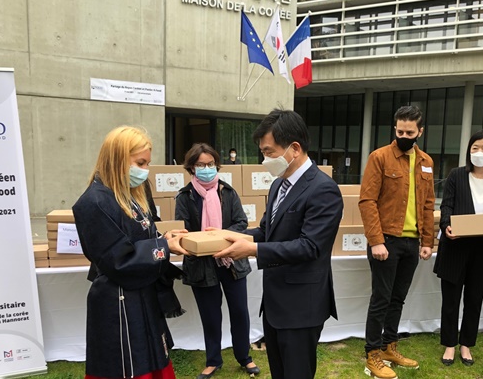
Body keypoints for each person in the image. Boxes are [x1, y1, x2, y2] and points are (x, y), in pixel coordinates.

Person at [213, 109, 343, 379]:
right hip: (274, 304)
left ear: (294, 148)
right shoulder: (278, 185)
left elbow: (309, 247)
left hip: (301, 308)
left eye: (270, 152)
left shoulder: (323, 189)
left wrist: (252, 250)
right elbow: (266, 230)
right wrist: (228, 235)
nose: (265, 160)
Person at [72, 125, 189, 379]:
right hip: (118, 303)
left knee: (152, 359)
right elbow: (118, 259)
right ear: (117, 158)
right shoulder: (94, 202)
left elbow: (144, 237)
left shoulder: (132, 195)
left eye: (147, 163)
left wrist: (164, 238)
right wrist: (163, 247)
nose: (145, 170)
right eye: (140, 162)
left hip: (142, 294)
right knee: (128, 366)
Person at [359, 105, 435, 379]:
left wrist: (428, 240)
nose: (404, 135)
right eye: (400, 131)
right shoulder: (379, 157)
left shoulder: (426, 161)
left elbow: (427, 204)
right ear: (395, 129)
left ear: (420, 132)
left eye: (409, 132)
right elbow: (367, 201)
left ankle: (390, 346)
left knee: (398, 299)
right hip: (386, 242)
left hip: (412, 243)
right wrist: (376, 241)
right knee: (381, 298)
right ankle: (372, 355)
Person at [174, 143, 259, 379]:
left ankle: (245, 357)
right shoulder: (185, 197)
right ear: (192, 167)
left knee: (240, 312)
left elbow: (241, 223)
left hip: (231, 261)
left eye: (210, 164)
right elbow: (182, 231)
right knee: (210, 315)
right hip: (202, 264)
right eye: (201, 165)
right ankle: (213, 360)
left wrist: (219, 235)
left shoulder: (228, 192)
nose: (206, 169)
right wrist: (203, 240)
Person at [433, 129, 483, 367]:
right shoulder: (456, 175)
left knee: (474, 299)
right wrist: (447, 226)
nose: (479, 153)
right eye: (475, 148)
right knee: (450, 299)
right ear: (469, 151)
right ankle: (449, 344)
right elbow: (446, 206)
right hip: (456, 246)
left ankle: (466, 344)